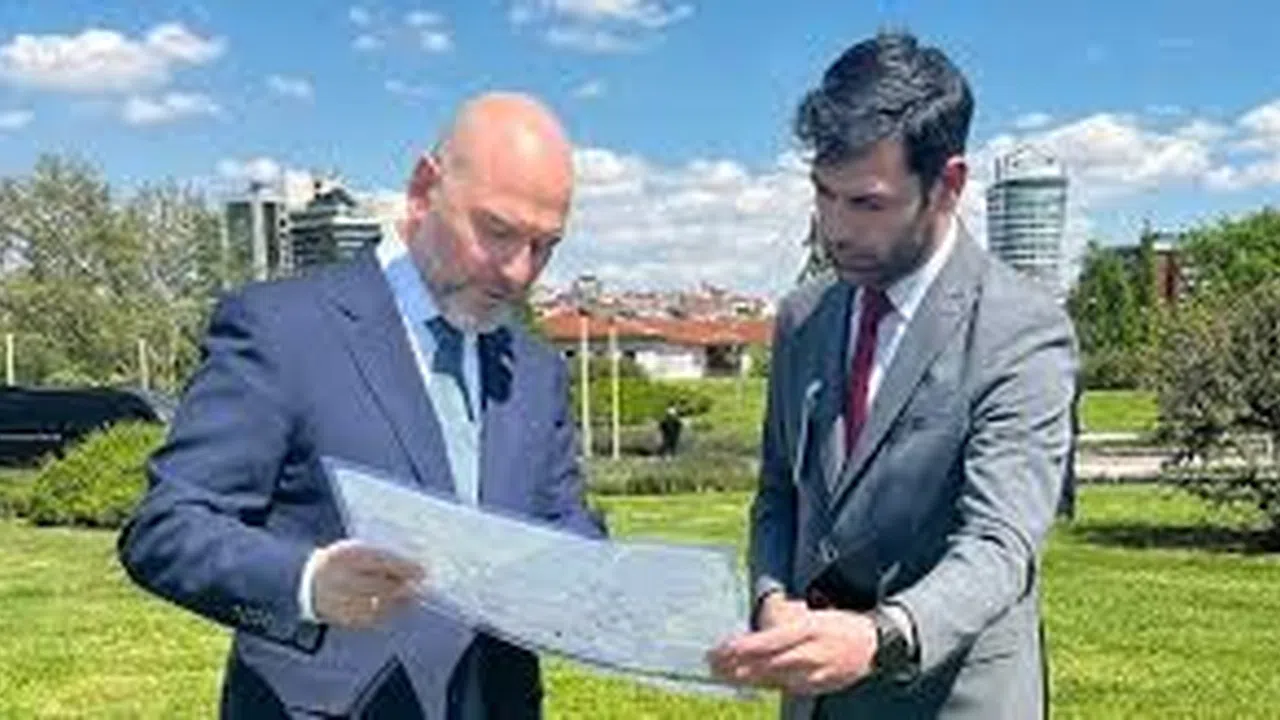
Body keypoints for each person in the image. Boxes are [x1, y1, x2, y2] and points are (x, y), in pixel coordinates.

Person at [117, 92, 605, 719]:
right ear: (424, 190)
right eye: (498, 232)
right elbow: (166, 527)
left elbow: (565, 523)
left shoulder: (534, 369)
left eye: (545, 246)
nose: (518, 271)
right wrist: (307, 582)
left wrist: (620, 591)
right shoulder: (282, 329)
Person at [708, 32, 1078, 718]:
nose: (834, 229)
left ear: (948, 186)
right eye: (823, 194)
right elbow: (778, 493)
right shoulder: (803, 317)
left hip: (950, 701)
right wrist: (771, 597)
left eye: (867, 203)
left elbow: (1000, 544)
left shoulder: (1021, 330)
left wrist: (882, 637)